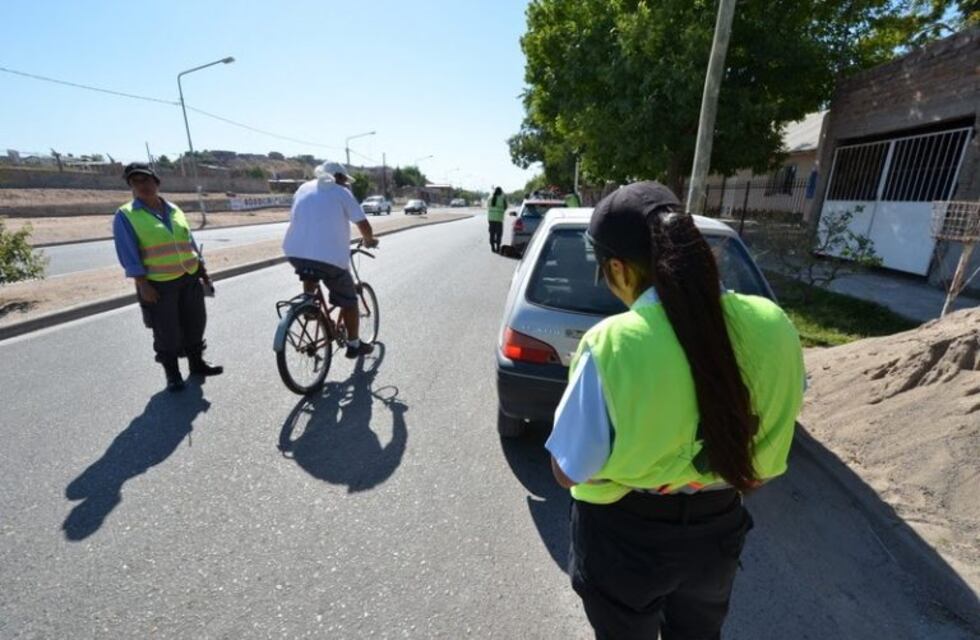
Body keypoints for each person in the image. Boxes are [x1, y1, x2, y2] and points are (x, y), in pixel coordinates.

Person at [546, 181, 804, 640]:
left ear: (620, 270)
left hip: (624, 541)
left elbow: (568, 471)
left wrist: (630, 470)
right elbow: (763, 470)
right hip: (717, 536)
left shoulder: (613, 343)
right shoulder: (773, 325)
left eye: (604, 273)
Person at [113, 163, 223, 392]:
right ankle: (172, 375)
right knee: (167, 332)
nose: (143, 185)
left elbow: (188, 242)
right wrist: (142, 284)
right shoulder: (126, 215)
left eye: (146, 180)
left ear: (157, 182)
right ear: (131, 186)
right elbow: (128, 253)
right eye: (136, 182)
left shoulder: (174, 209)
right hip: (159, 283)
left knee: (195, 323)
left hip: (189, 276)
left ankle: (197, 364)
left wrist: (203, 272)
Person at [282, 161, 378, 359]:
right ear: (339, 177)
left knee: (309, 272)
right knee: (350, 301)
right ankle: (353, 344)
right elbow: (363, 225)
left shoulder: (303, 188)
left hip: (294, 252)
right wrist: (369, 240)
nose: (346, 184)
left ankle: (310, 308)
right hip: (328, 259)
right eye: (344, 180)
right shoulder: (340, 192)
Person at [487, 187, 507, 253]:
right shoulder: (502, 199)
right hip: (499, 219)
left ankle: (492, 247)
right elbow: (506, 207)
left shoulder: (489, 198)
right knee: (499, 234)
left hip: (491, 219)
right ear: (501, 192)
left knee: (491, 234)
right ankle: (498, 247)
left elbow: (487, 206)